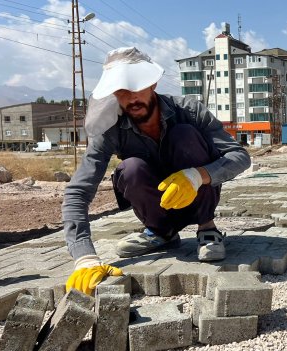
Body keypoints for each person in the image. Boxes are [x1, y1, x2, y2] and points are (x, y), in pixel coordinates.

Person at [62, 47, 250, 295]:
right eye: (121, 91)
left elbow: (240, 157)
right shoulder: (111, 129)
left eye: (136, 87)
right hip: (156, 206)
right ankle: (162, 233)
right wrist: (84, 257)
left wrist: (196, 176)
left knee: (184, 135)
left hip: (198, 197)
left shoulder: (189, 111)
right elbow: (78, 192)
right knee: (129, 168)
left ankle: (207, 227)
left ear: (152, 83)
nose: (131, 99)